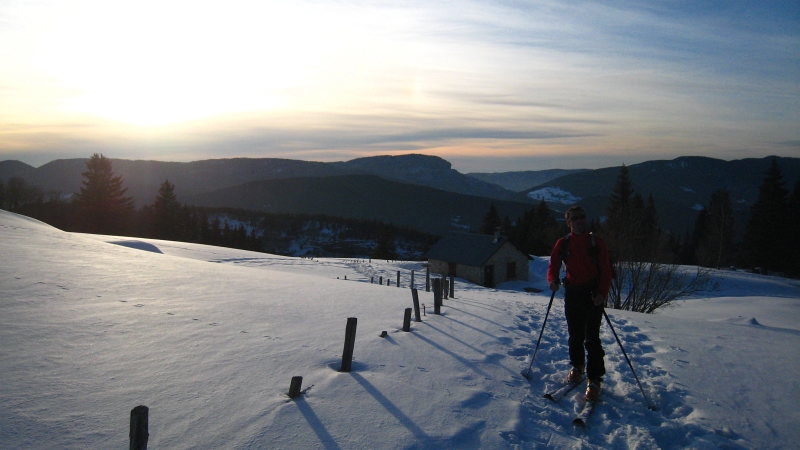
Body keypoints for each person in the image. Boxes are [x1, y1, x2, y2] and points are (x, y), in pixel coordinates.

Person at [547, 206, 612, 402]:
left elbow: (607, 271)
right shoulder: (563, 244)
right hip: (573, 294)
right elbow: (553, 265)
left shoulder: (597, 243)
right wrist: (552, 280)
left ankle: (594, 378)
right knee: (575, 335)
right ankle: (577, 367)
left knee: (591, 337)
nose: (578, 221)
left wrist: (602, 293)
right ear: (568, 223)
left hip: (592, 295)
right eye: (574, 218)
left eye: (581, 217)